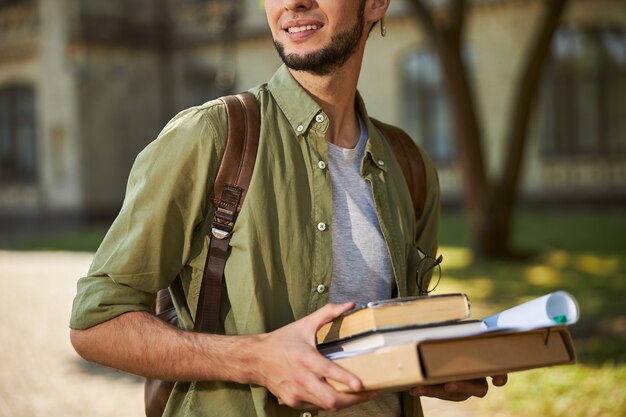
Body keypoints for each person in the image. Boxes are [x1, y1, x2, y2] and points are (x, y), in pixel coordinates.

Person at [70, 0, 506, 416]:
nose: (293, 4)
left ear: (375, 4)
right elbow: (96, 323)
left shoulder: (409, 165)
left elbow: (390, 339)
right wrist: (256, 359)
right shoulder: (209, 137)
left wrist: (433, 362)